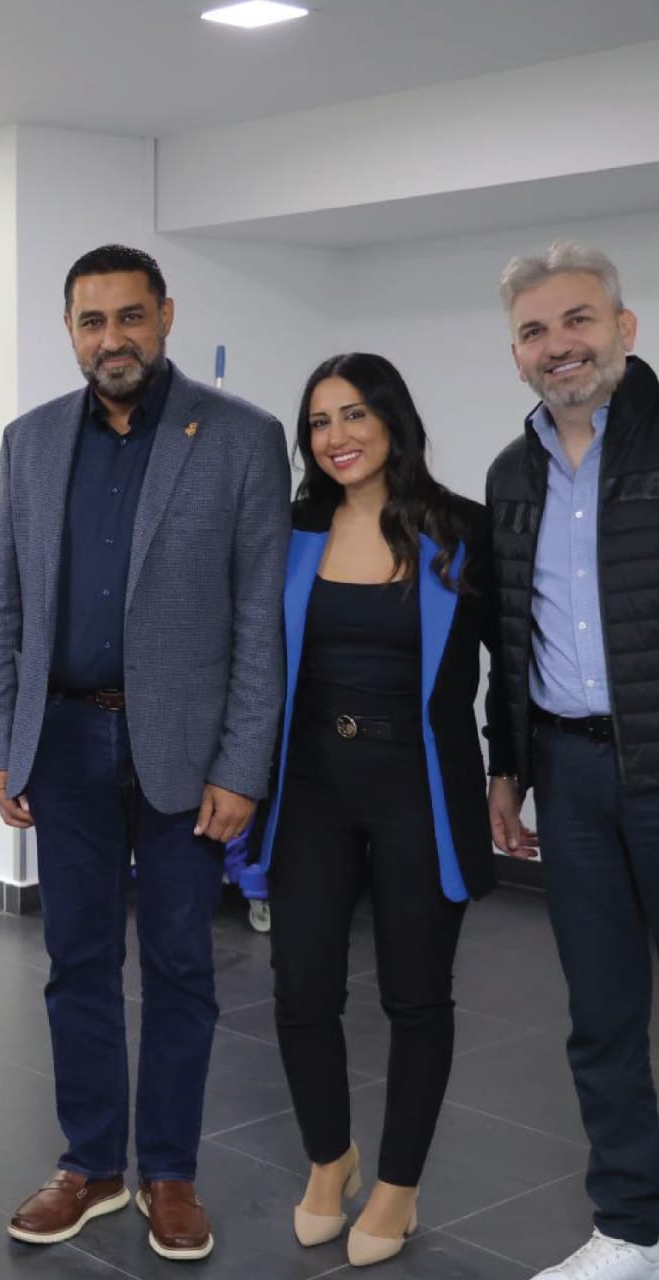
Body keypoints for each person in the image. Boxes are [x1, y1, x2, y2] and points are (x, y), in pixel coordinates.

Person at [0, 243, 290, 1259]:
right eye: (90, 320)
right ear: (70, 331)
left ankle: (168, 1171)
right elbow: (5, 602)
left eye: (128, 316)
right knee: (74, 959)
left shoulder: (240, 437)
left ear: (164, 316)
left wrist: (242, 766)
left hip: (186, 752)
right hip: (64, 739)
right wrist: (3, 742)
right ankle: (89, 1164)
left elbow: (259, 618)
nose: (110, 338)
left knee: (179, 964)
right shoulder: (30, 441)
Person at [258, 353, 501, 1268]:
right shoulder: (291, 530)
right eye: (320, 422)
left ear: (393, 420)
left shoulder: (463, 529)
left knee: (415, 995)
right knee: (301, 989)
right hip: (311, 786)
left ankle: (398, 1184)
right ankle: (332, 1158)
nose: (337, 437)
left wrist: (512, 770)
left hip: (419, 786)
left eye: (355, 414)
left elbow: (512, 661)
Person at [487, 243, 659, 1280]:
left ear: (623, 328)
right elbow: (510, 635)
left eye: (577, 320)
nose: (559, 345)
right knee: (601, 1017)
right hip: (572, 772)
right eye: (534, 330)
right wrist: (507, 767)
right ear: (515, 352)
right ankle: (632, 1229)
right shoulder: (512, 475)